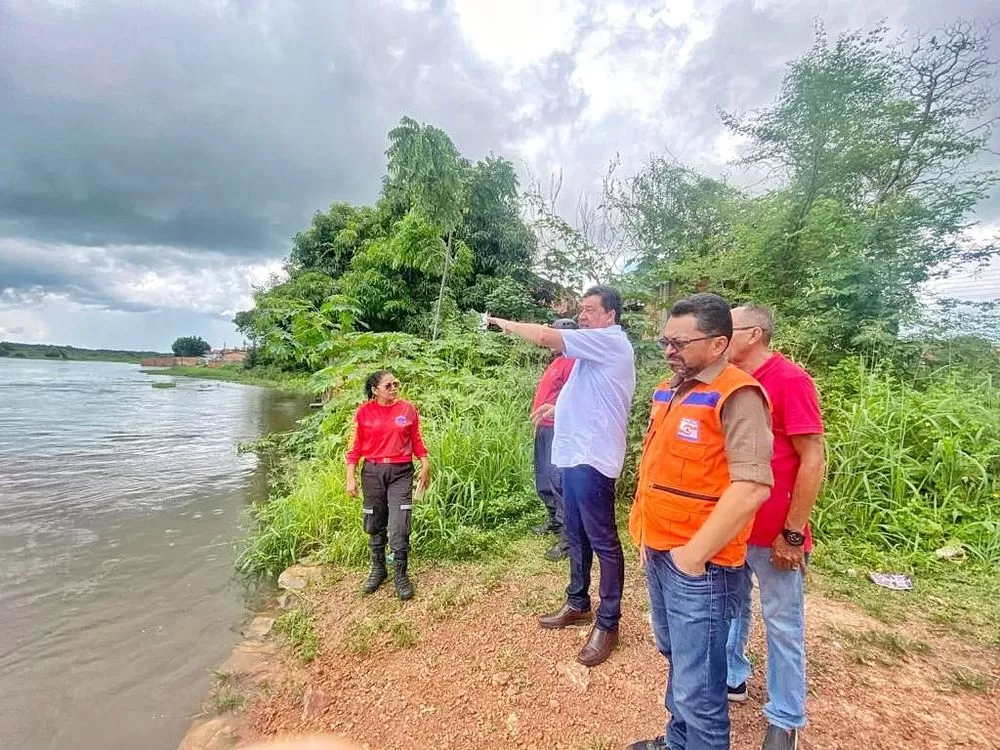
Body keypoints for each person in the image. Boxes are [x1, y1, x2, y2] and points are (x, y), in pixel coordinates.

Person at [628, 293, 774, 750]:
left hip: (701, 566)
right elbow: (659, 471)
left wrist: (692, 557)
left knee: (700, 686)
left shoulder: (738, 394)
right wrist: (648, 535)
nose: (669, 350)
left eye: (679, 342)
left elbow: (752, 487)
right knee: (678, 658)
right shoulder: (669, 388)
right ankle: (678, 741)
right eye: (665, 341)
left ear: (717, 344)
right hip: (660, 548)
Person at [488, 285, 636, 668]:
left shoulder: (609, 341)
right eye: (581, 309)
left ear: (610, 316)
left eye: (590, 310)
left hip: (592, 459)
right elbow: (593, 394)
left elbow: (543, 336)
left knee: (603, 541)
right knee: (575, 532)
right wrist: (557, 407)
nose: (582, 316)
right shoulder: (592, 351)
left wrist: (499, 322)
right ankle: (578, 601)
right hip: (574, 455)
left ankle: (608, 623)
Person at [724, 305, 825, 750]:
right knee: (730, 608)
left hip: (775, 532)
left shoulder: (789, 380)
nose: (720, 335)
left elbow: (813, 457)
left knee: (782, 622)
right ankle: (732, 676)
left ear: (754, 334)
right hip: (732, 527)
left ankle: (785, 716)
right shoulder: (728, 379)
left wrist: (794, 532)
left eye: (729, 328)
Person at [346, 370, 430, 601]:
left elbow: (416, 440)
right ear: (375, 390)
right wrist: (350, 477)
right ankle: (379, 569)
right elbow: (355, 448)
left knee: (400, 524)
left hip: (401, 472)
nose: (394, 388)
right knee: (374, 522)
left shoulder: (407, 409)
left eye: (396, 384)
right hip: (372, 473)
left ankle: (400, 575)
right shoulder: (364, 412)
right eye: (388, 385)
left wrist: (425, 464)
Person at [529, 318, 579, 562]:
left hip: (559, 428)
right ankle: (554, 521)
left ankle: (569, 538)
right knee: (544, 478)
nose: (548, 340)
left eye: (553, 335)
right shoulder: (558, 360)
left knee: (559, 481)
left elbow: (575, 396)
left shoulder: (572, 362)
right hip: (544, 427)